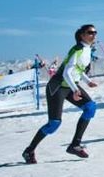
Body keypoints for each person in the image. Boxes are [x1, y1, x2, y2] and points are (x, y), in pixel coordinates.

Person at [22, 24, 99, 163]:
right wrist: (75, 90)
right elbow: (66, 73)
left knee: (90, 107)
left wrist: (88, 82)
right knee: (54, 124)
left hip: (70, 85)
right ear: (82, 35)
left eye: (95, 32)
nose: (93, 35)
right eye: (90, 32)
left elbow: (79, 69)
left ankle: (75, 145)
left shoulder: (87, 50)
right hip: (57, 87)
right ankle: (29, 150)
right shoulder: (78, 50)